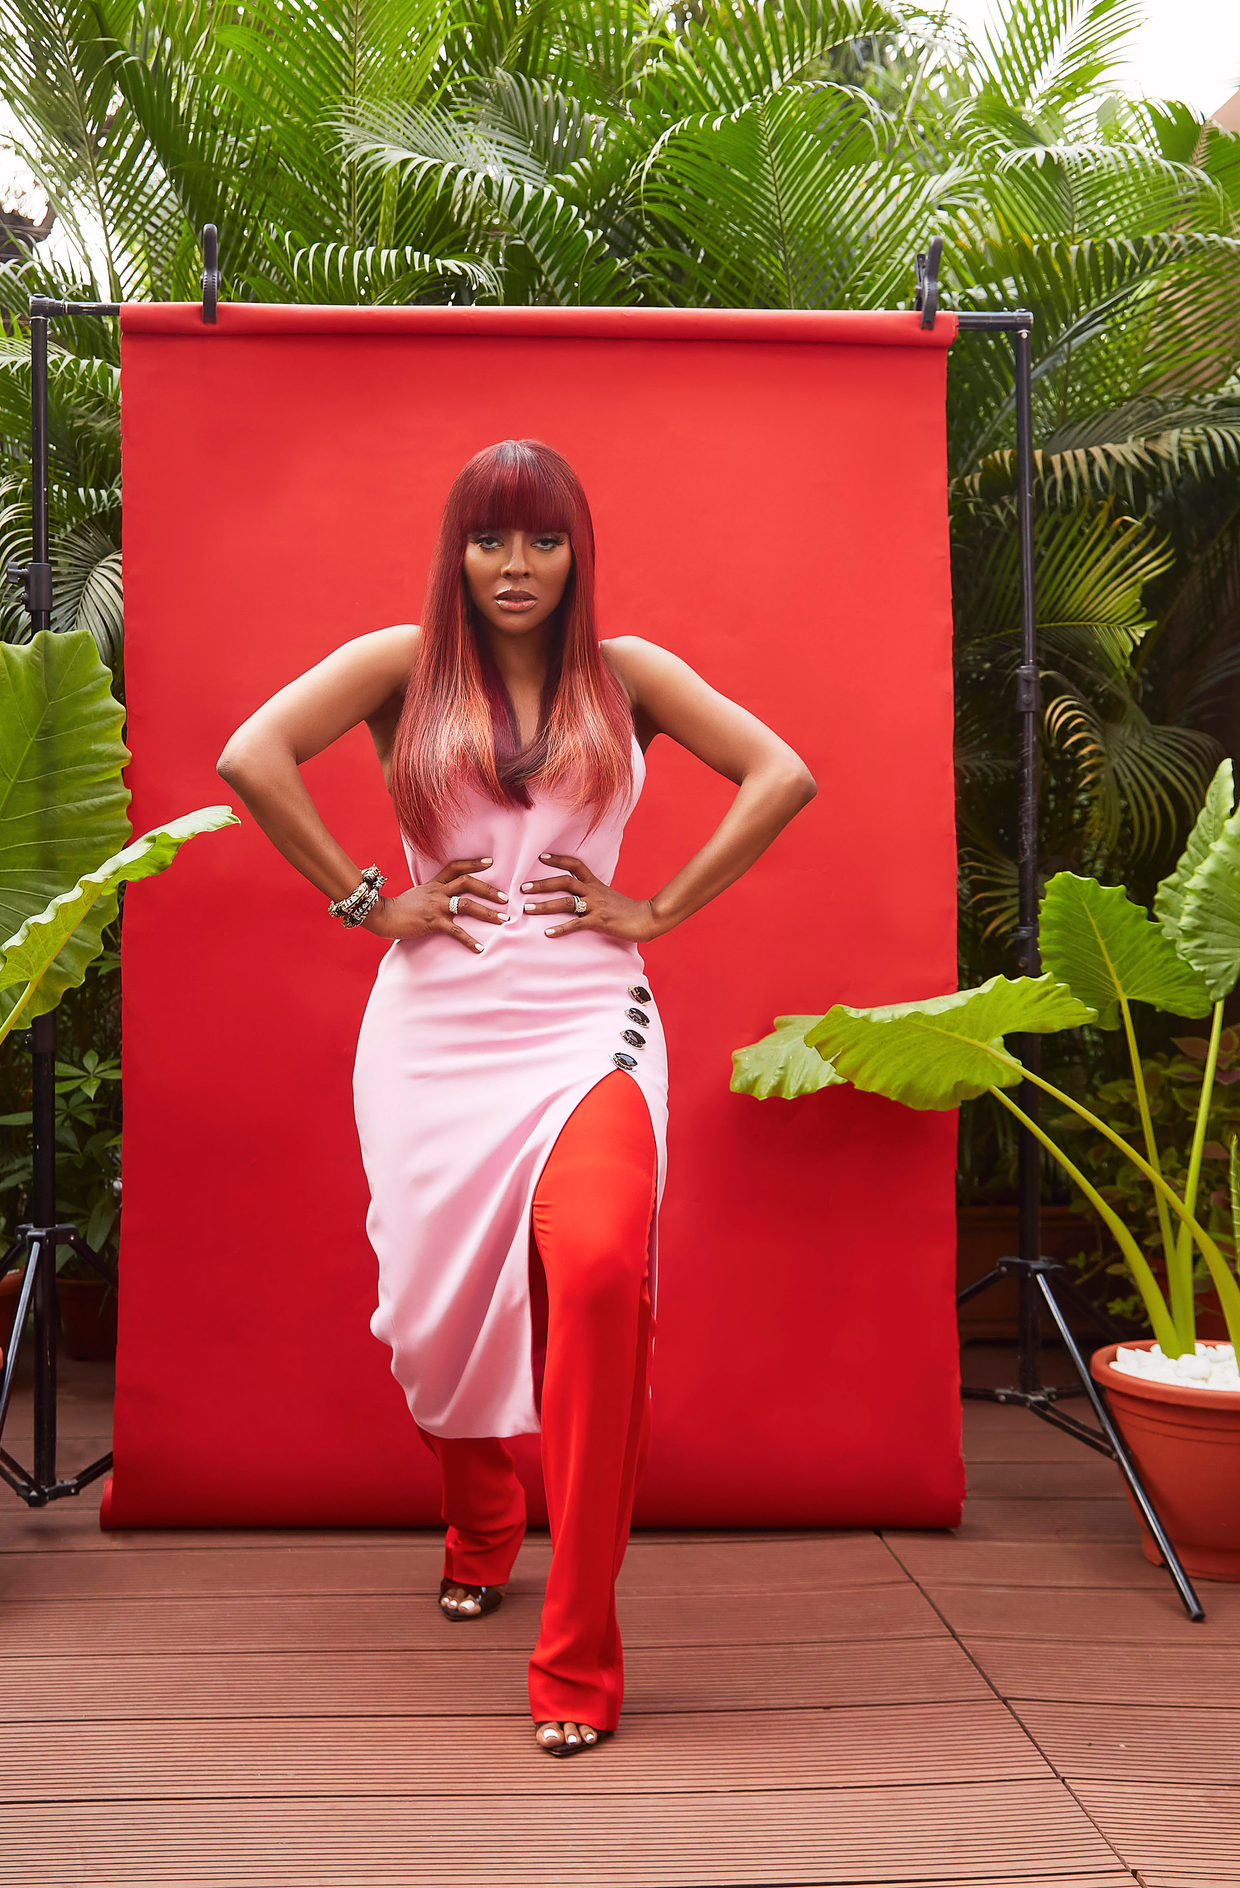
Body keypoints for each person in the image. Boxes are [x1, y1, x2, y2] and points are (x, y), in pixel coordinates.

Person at [217, 438, 814, 1757]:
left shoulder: (629, 676)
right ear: (457, 552)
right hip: (431, 1038)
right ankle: (482, 1511)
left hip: (588, 1026)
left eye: (543, 538)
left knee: (596, 1271)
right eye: (489, 538)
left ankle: (578, 1651)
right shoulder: (401, 667)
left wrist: (657, 907)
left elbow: (786, 773)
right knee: (430, 1322)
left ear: (578, 552)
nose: (516, 564)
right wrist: (371, 901)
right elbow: (250, 754)